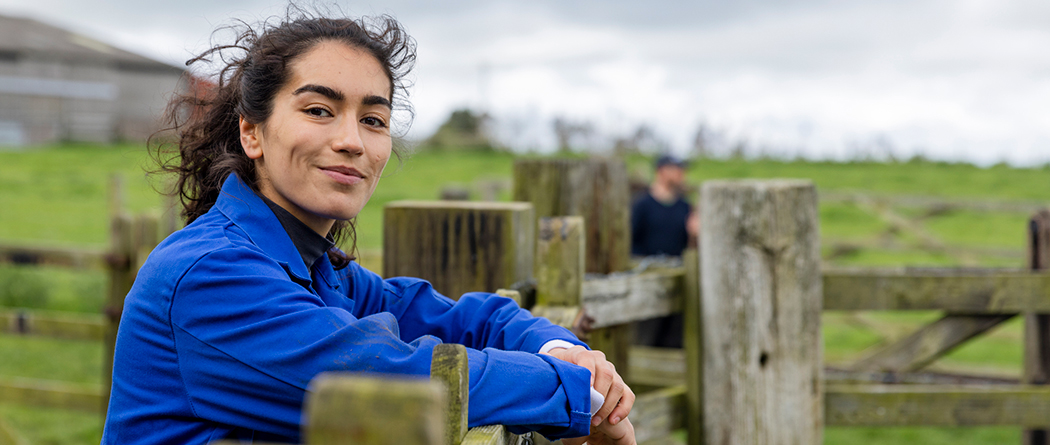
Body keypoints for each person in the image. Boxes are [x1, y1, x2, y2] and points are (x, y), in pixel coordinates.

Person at [102, 10, 634, 445]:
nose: (352, 140)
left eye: (373, 120)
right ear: (252, 132)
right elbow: (391, 375)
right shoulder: (210, 275)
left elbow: (460, 319)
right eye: (318, 109)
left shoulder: (316, 266)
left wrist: (557, 349)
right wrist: (578, 395)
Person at [630, 154, 698, 348]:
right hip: (648, 284)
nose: (681, 174)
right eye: (677, 169)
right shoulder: (642, 205)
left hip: (678, 284)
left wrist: (694, 234)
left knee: (674, 340)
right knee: (645, 339)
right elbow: (632, 242)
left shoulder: (684, 206)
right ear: (661, 171)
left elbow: (689, 247)